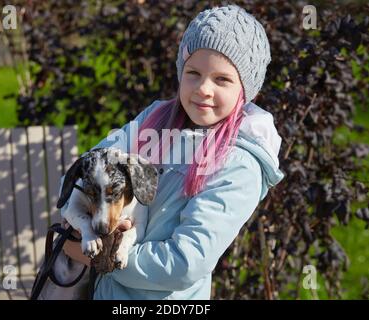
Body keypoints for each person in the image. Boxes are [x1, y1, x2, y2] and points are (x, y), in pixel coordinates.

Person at [58, 4, 284, 299]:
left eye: (222, 79)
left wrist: (97, 257)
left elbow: (184, 263)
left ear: (246, 89)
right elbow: (90, 166)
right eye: (193, 73)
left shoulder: (238, 163)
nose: (203, 88)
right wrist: (83, 218)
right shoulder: (155, 120)